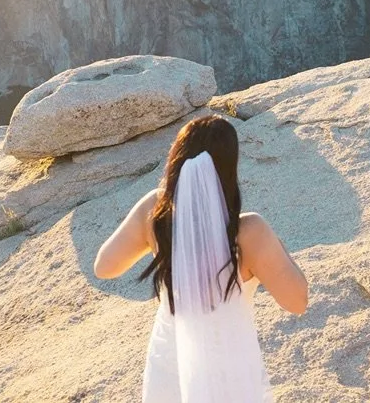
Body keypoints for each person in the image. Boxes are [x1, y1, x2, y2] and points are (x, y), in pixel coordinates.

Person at [95, 114, 308, 402]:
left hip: (170, 363)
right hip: (229, 370)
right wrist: (277, 248)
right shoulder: (250, 232)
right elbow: (297, 303)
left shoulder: (155, 212)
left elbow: (104, 267)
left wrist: (160, 241)